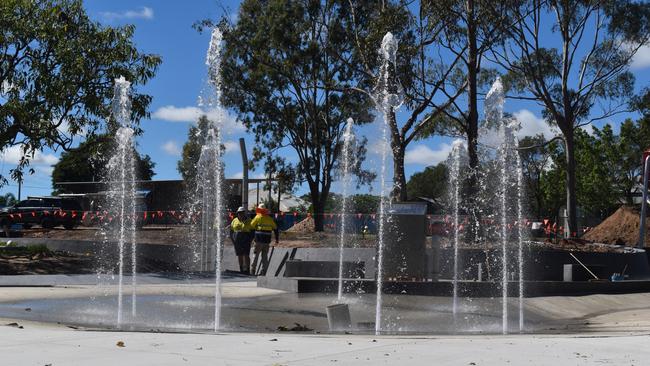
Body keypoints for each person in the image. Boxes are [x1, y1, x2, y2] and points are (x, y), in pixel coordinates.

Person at [250, 203, 278, 275]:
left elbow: (251, 226)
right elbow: (275, 228)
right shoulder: (269, 219)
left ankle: (253, 271)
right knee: (265, 257)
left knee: (255, 256)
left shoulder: (257, 217)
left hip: (258, 241)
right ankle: (264, 272)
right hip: (266, 242)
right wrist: (277, 239)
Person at [230, 207, 254, 274]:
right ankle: (241, 269)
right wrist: (233, 240)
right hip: (237, 241)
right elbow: (231, 231)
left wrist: (250, 239)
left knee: (246, 255)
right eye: (239, 213)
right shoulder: (234, 220)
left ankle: (247, 269)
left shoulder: (249, 220)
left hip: (246, 240)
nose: (241, 214)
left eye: (242, 213)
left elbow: (253, 231)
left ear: (244, 213)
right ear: (237, 214)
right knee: (240, 255)